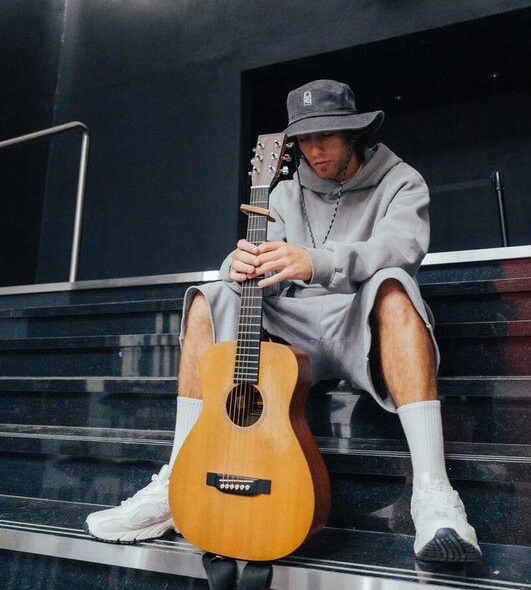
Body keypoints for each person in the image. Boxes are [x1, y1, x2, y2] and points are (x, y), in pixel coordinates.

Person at [85, 79, 481, 563]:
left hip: (359, 323)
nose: (315, 150)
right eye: (305, 140)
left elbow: (400, 249)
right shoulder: (283, 193)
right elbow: (263, 266)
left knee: (396, 286)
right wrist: (238, 266)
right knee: (210, 296)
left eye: (326, 136)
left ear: (354, 132)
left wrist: (316, 261)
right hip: (292, 334)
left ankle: (434, 493)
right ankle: (176, 481)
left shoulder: (402, 181)